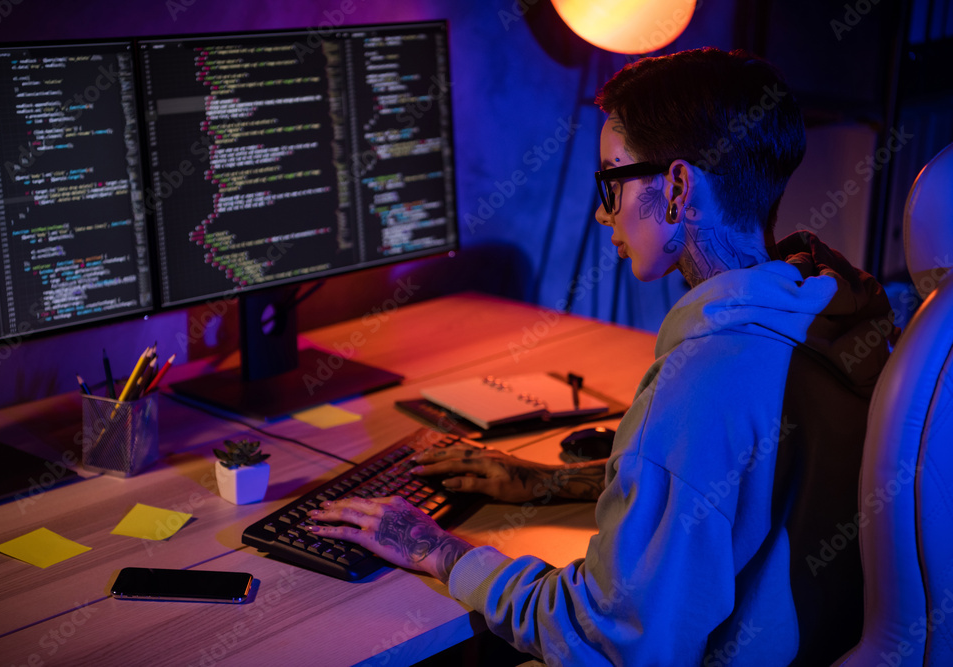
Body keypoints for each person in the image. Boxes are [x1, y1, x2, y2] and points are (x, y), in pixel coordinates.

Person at [309, 47, 897, 665]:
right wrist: (551, 481)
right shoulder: (826, 313)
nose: (601, 212)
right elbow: (731, 494)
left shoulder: (703, 379)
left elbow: (607, 640)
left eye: (611, 182)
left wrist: (441, 551)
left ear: (676, 189)